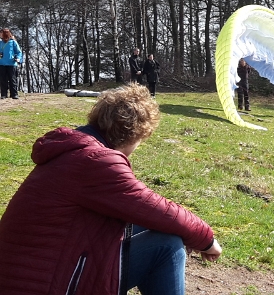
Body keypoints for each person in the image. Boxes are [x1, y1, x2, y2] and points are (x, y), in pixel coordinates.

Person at [0, 83, 222, 295]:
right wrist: (207, 240)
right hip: (45, 286)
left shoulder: (74, 151)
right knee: (166, 245)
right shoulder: (96, 160)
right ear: (134, 133)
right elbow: (155, 207)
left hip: (28, 276)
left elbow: (143, 213)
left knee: (162, 229)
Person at [0, 28, 23, 99]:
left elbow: (19, 52)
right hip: (1, 63)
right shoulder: (0, 43)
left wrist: (18, 58)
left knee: (12, 79)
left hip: (12, 64)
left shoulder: (13, 42)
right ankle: (3, 94)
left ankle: (14, 94)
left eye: (1, 33)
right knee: (3, 80)